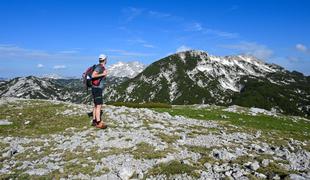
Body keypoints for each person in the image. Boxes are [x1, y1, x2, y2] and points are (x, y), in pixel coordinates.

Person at [91, 54, 108, 129]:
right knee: (99, 106)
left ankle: (94, 121)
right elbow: (93, 75)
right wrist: (103, 74)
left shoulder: (99, 66)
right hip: (97, 88)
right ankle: (99, 123)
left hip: (95, 88)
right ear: (105, 59)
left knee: (95, 105)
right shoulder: (100, 67)